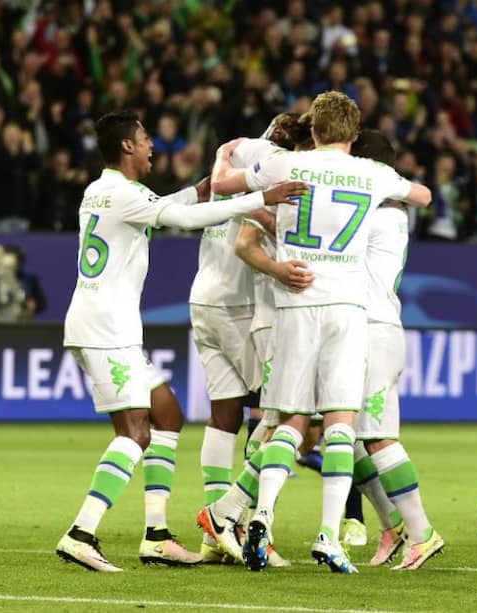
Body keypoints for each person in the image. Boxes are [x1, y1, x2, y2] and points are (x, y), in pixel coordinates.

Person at [55, 109, 307, 572]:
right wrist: (260, 197)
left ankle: (156, 536)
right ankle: (81, 532)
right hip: (105, 330)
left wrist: (201, 188)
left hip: (108, 326)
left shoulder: (102, 191)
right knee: (135, 433)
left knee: (167, 414)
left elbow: (167, 205)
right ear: (127, 146)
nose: (151, 145)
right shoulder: (125, 194)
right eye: (145, 138)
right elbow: (185, 219)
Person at [208, 91, 431, 573]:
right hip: (346, 309)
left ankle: (260, 515)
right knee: (340, 424)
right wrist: (383, 185)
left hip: (293, 304)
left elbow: (223, 184)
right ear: (353, 134)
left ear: (313, 130)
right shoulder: (371, 173)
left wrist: (225, 156)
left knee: (288, 420)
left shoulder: (287, 164)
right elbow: (423, 196)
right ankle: (330, 534)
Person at [189, 112, 297, 565]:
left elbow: (210, 195)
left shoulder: (231, 159)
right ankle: (242, 524)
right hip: (239, 305)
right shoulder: (276, 166)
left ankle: (217, 536)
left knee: (224, 415)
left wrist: (219, 158)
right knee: (274, 414)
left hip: (203, 297)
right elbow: (265, 219)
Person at [349, 129, 443, 570]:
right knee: (346, 434)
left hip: (373, 329)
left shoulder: (377, 215)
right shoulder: (389, 209)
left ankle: (421, 533)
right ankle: (393, 525)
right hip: (370, 325)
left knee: (377, 437)